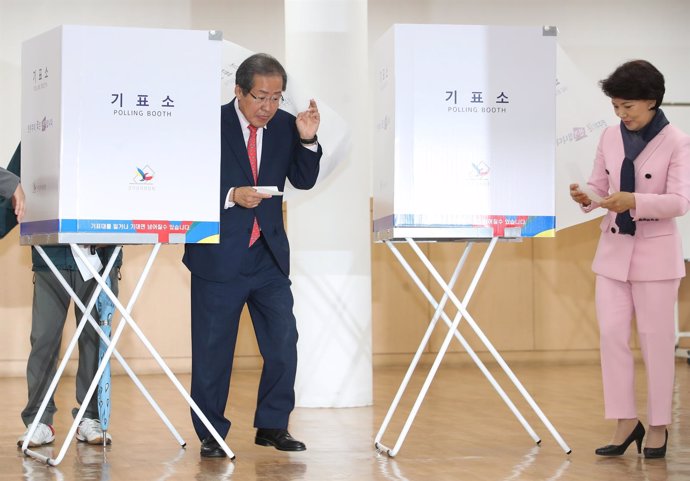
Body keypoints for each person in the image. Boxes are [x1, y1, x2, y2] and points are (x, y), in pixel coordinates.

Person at [183, 53, 322, 458]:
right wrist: (229, 196)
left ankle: (273, 425)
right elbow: (185, 181)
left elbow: (303, 178)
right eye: (260, 97)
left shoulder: (283, 126)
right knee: (213, 352)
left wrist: (308, 138)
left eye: (277, 98)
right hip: (218, 255)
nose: (268, 107)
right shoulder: (210, 124)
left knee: (283, 342)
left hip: (268, 256)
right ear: (239, 91)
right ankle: (211, 433)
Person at [570, 60, 690, 459]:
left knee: (656, 344)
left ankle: (657, 425)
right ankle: (625, 421)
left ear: (652, 101)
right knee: (612, 338)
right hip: (613, 253)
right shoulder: (608, 136)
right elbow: (598, 183)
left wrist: (634, 200)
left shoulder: (678, 141)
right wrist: (586, 195)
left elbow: (679, 202)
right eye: (617, 107)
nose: (622, 115)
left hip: (656, 256)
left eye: (629, 107)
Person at [3, 144, 123, 447]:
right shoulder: (40, 131)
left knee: (95, 339)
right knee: (43, 339)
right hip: (51, 256)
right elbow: (15, 186)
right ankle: (39, 420)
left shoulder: (113, 130)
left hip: (100, 255)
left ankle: (91, 417)